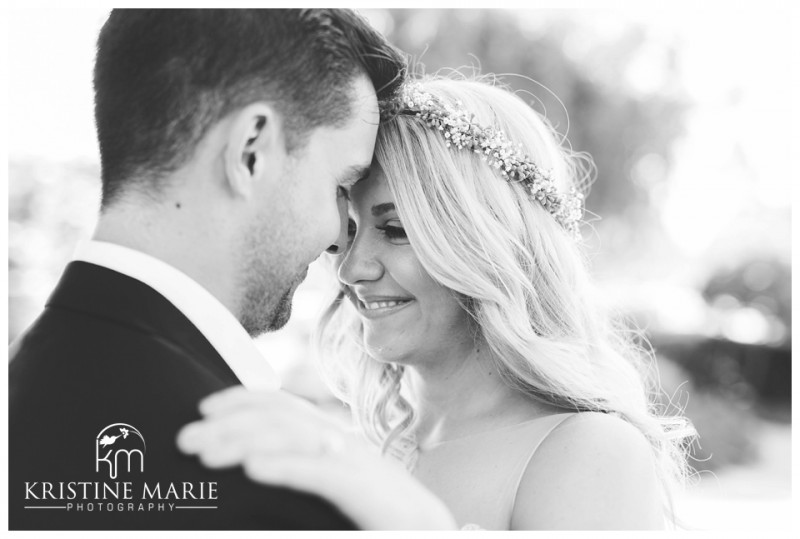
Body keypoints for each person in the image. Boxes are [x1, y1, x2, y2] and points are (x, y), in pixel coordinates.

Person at [178, 75, 697, 530]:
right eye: (348, 233)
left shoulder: (586, 453)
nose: (351, 269)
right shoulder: (363, 448)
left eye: (396, 230)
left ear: (486, 243)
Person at [8, 9, 406, 530]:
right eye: (339, 187)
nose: (339, 238)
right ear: (250, 151)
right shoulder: (268, 487)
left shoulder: (19, 391)